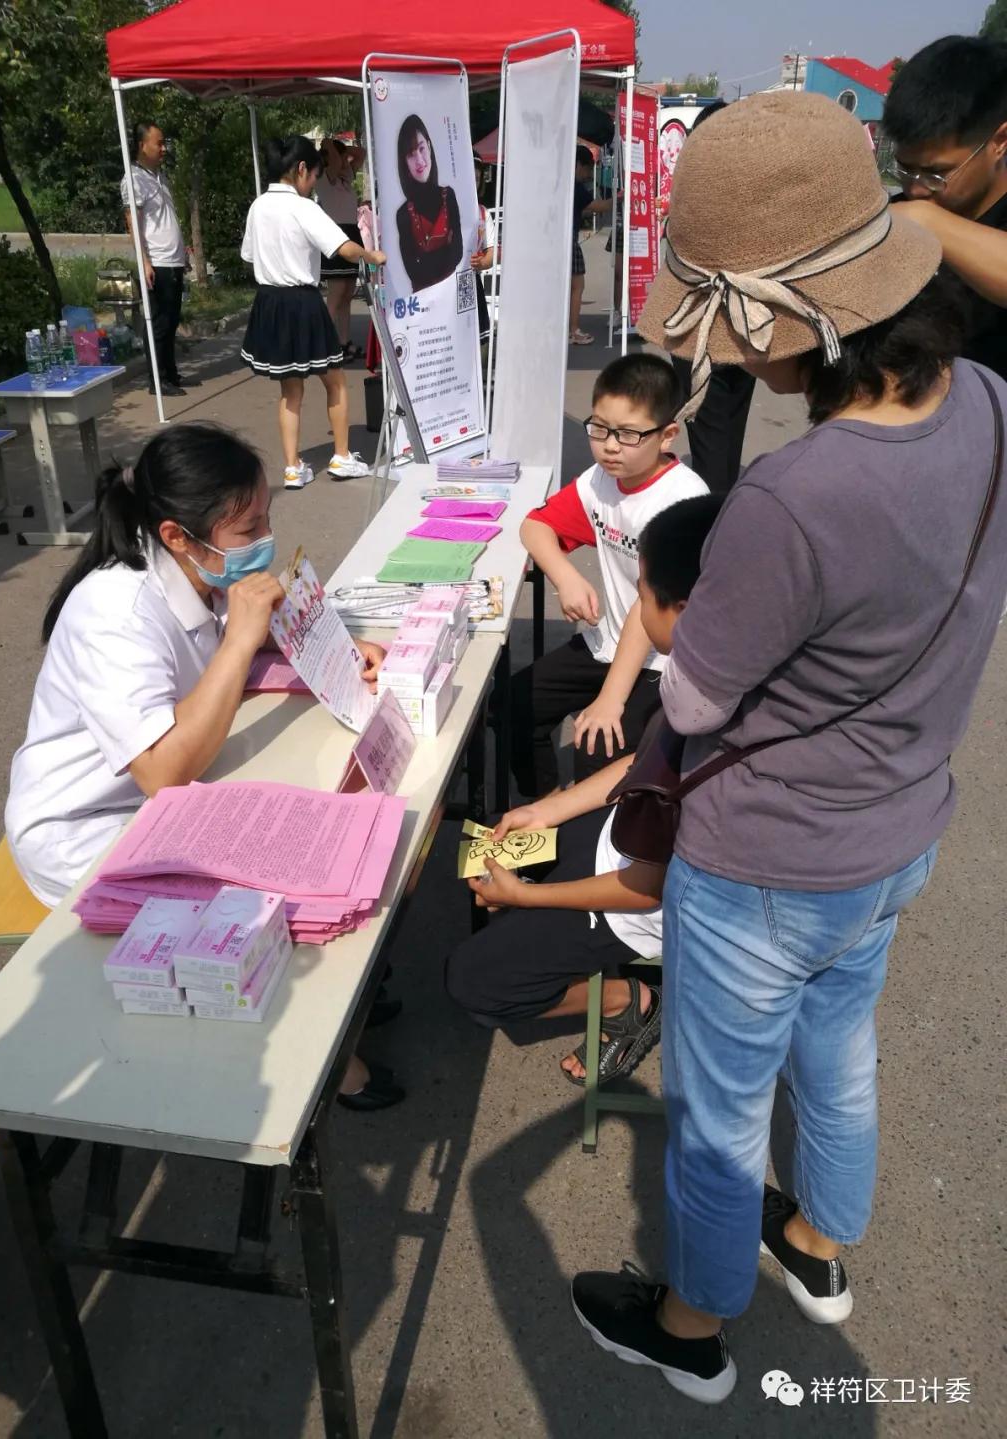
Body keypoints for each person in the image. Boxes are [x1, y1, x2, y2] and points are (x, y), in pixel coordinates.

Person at [569, 92, 1007, 1403]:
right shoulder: (990, 399)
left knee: (717, 1114)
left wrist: (662, 616)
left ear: (783, 320)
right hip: (899, 826)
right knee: (840, 1052)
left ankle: (693, 1324)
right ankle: (817, 1242)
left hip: (767, 860)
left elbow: (699, 699)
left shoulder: (790, 496)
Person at [4, 423, 399, 1109]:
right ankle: (322, 1056)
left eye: (266, 519)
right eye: (248, 530)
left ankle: (346, 1002)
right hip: (88, 827)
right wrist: (242, 639)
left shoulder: (197, 569)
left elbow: (234, 651)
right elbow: (162, 773)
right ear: (177, 535)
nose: (265, 540)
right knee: (264, 888)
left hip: (162, 797)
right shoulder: (115, 611)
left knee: (300, 829)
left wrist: (334, 647)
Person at [447, 495, 723, 1086]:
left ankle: (632, 1002)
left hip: (639, 900)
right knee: (490, 851)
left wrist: (531, 899)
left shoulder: (719, 724)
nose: (635, 607)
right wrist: (547, 810)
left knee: (472, 982)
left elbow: (644, 889)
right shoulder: (704, 669)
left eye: (642, 593)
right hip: (622, 839)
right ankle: (537, 921)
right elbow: (642, 763)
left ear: (681, 609)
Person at [509, 354, 706, 799]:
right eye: (600, 428)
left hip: (662, 660)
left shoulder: (681, 500)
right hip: (609, 641)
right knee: (514, 703)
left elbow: (648, 605)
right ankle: (542, 810)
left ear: (667, 435)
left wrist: (611, 700)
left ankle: (591, 831)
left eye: (629, 434)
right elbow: (535, 526)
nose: (611, 446)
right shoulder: (600, 479)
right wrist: (565, 576)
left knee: (597, 745)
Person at [240, 136, 385, 489]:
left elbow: (249, 255)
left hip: (269, 301)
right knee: (335, 381)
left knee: (290, 390)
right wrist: (372, 256)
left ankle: (292, 468)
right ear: (302, 169)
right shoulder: (303, 207)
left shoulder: (258, 206)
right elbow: (344, 248)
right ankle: (342, 457)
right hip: (302, 301)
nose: (313, 183)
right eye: (314, 175)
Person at [882, 34, 1007, 380]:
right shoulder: (898, 212)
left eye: (936, 173)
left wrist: (926, 220)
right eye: (905, 168)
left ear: (999, 142)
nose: (916, 188)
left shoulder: (916, 214)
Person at [668, 101, 758, 494]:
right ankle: (721, 496)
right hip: (747, 328)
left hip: (701, 330)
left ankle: (714, 512)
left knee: (709, 433)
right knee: (728, 427)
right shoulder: (756, 193)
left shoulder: (697, 193)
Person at [121, 122, 188, 398]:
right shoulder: (134, 180)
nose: (163, 149)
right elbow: (133, 224)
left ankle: (170, 373)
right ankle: (157, 379)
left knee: (171, 321)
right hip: (156, 262)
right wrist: (145, 261)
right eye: (158, 143)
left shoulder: (158, 177)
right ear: (142, 145)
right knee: (158, 322)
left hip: (172, 260)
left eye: (164, 143)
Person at [395, 115, 463, 292]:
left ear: (430, 147)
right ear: (405, 162)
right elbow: (413, 271)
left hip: (452, 295)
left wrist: (424, 258)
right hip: (424, 302)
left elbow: (458, 253)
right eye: (411, 154)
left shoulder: (449, 196)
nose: (419, 160)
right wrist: (446, 249)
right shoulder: (403, 214)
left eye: (421, 148)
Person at [317, 138, 366, 362]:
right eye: (340, 157)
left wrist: (344, 150)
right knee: (336, 295)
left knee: (347, 294)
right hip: (334, 236)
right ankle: (324, 346)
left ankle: (344, 343)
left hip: (351, 234)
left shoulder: (346, 178)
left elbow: (361, 152)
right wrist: (328, 143)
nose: (345, 161)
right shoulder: (324, 176)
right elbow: (336, 162)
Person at [570, 145, 612, 345]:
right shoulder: (576, 187)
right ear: (578, 164)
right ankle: (573, 330)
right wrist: (619, 197)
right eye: (587, 169)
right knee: (577, 286)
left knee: (565, 287)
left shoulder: (561, 182)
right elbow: (599, 206)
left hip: (555, 242)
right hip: (569, 243)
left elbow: (583, 209)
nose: (588, 175)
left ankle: (566, 328)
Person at [470, 152, 496, 350]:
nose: (473, 182)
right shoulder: (442, 209)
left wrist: (481, 263)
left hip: (471, 284)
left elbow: (491, 254)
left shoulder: (482, 213)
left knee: (479, 344)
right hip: (443, 287)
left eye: (477, 178)